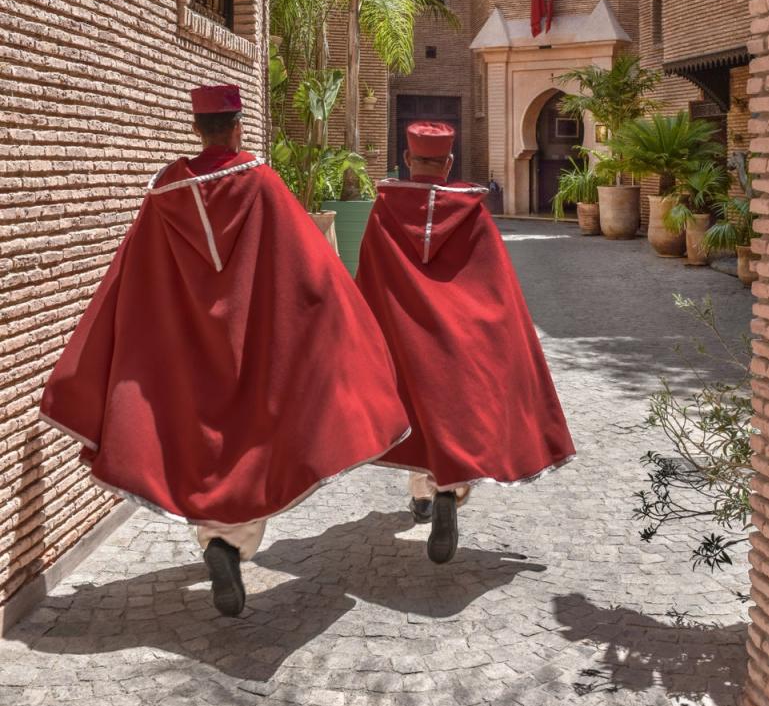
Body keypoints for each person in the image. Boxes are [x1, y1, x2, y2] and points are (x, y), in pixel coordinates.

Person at [41, 85, 410, 616]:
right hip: (255, 351)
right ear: (237, 126)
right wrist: (341, 325)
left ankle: (214, 541)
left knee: (196, 445)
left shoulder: (166, 190)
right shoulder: (260, 184)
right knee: (256, 445)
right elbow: (308, 270)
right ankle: (228, 545)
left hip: (188, 353)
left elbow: (133, 276)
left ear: (197, 129)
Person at [356, 121, 575, 564]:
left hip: (405, 337)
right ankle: (447, 492)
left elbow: (371, 282)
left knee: (415, 410)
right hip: (458, 344)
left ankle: (424, 493)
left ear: (407, 159)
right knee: (452, 415)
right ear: (450, 163)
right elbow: (495, 289)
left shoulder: (384, 210)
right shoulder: (472, 212)